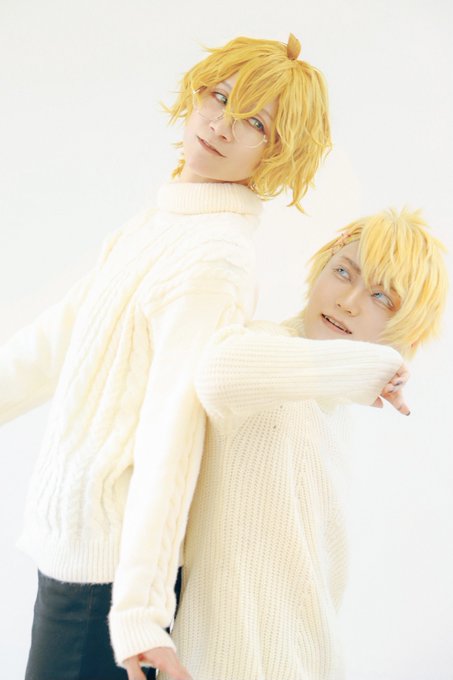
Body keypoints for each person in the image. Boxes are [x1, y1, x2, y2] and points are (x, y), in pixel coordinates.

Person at [0, 34, 333, 680]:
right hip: (74, 552)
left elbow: (173, 432)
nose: (223, 124)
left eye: (256, 123)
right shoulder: (158, 225)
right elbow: (54, 342)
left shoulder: (214, 256)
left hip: (107, 579)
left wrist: (140, 612)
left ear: (276, 153)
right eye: (221, 97)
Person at [160, 208, 447, 680]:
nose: (348, 302)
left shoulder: (334, 411)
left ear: (407, 330)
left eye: (381, 297)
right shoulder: (263, 347)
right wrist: (371, 367)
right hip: (224, 662)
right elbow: (218, 372)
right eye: (343, 272)